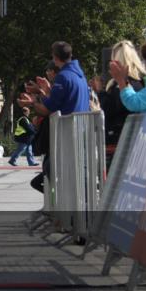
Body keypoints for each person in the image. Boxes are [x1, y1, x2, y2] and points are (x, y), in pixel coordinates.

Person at [29, 41, 91, 194]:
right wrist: (44, 91)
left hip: (66, 134)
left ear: (55, 57)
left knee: (52, 170)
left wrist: (34, 100)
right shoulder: (80, 75)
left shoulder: (63, 77)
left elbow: (48, 108)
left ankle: (63, 212)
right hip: (80, 131)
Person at [100, 41, 146, 148]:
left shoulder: (123, 85)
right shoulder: (139, 83)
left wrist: (101, 95)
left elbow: (111, 109)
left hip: (120, 141)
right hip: (128, 139)